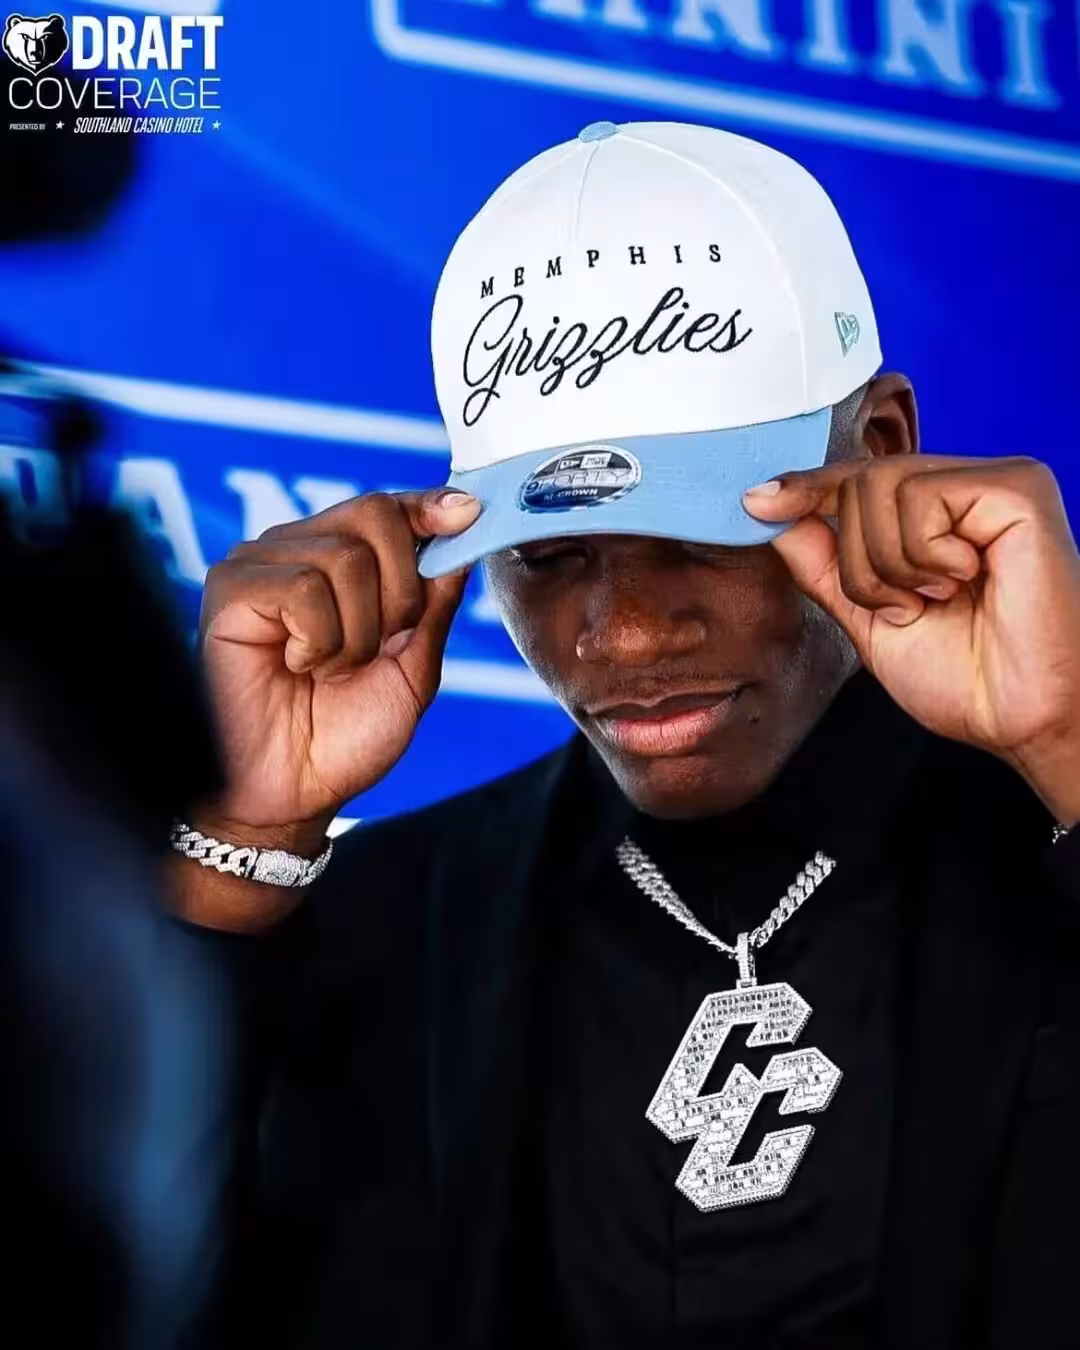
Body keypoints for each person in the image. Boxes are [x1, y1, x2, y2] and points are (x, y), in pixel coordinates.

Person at [168, 122, 1080, 1350]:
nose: (629, 634)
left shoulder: (1051, 834)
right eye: (549, 555)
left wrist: (1068, 740)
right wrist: (242, 839)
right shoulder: (378, 919)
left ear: (881, 449)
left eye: (702, 531)